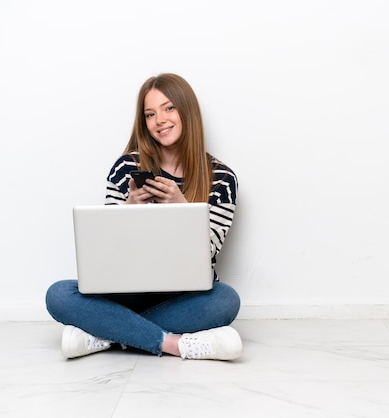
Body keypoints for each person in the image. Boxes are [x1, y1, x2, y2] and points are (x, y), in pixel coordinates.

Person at [45, 73, 242, 361]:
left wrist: (181, 205)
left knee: (226, 301)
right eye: (150, 114)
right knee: (58, 294)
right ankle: (173, 344)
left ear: (187, 111)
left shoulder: (222, 179)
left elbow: (208, 253)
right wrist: (128, 208)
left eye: (169, 108)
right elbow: (103, 253)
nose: (159, 120)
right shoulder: (126, 168)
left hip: (182, 295)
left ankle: (105, 334)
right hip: (124, 292)